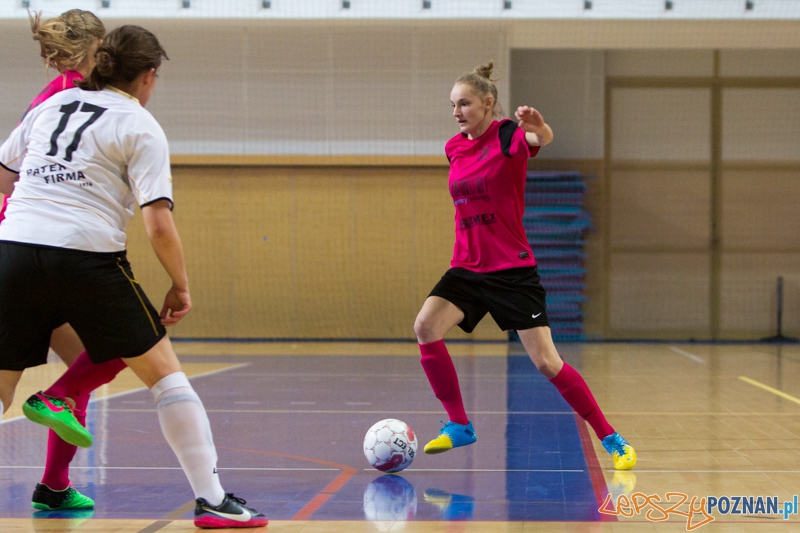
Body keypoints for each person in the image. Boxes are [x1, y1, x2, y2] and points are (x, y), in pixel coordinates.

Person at [0, 25, 268, 528]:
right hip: (85, 259)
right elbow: (158, 222)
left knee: (2, 385)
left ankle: (55, 472)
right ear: (148, 76)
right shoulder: (139, 124)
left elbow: (3, 175)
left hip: (13, 250)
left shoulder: (50, 107)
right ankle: (212, 501)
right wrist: (180, 283)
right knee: (166, 377)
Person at [414, 61, 636, 471]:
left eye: (464, 103)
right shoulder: (454, 147)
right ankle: (459, 424)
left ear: (488, 103)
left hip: (511, 271)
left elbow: (541, 138)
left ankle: (611, 437)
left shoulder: (508, 136)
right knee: (425, 326)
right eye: (452, 105)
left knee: (547, 362)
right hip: (466, 266)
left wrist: (539, 125)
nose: (457, 112)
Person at [0, 9, 130, 513]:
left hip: (25, 246)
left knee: (90, 362)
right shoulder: (84, 98)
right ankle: (53, 477)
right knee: (109, 351)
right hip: (45, 251)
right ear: (96, 48)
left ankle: (54, 484)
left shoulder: (57, 92)